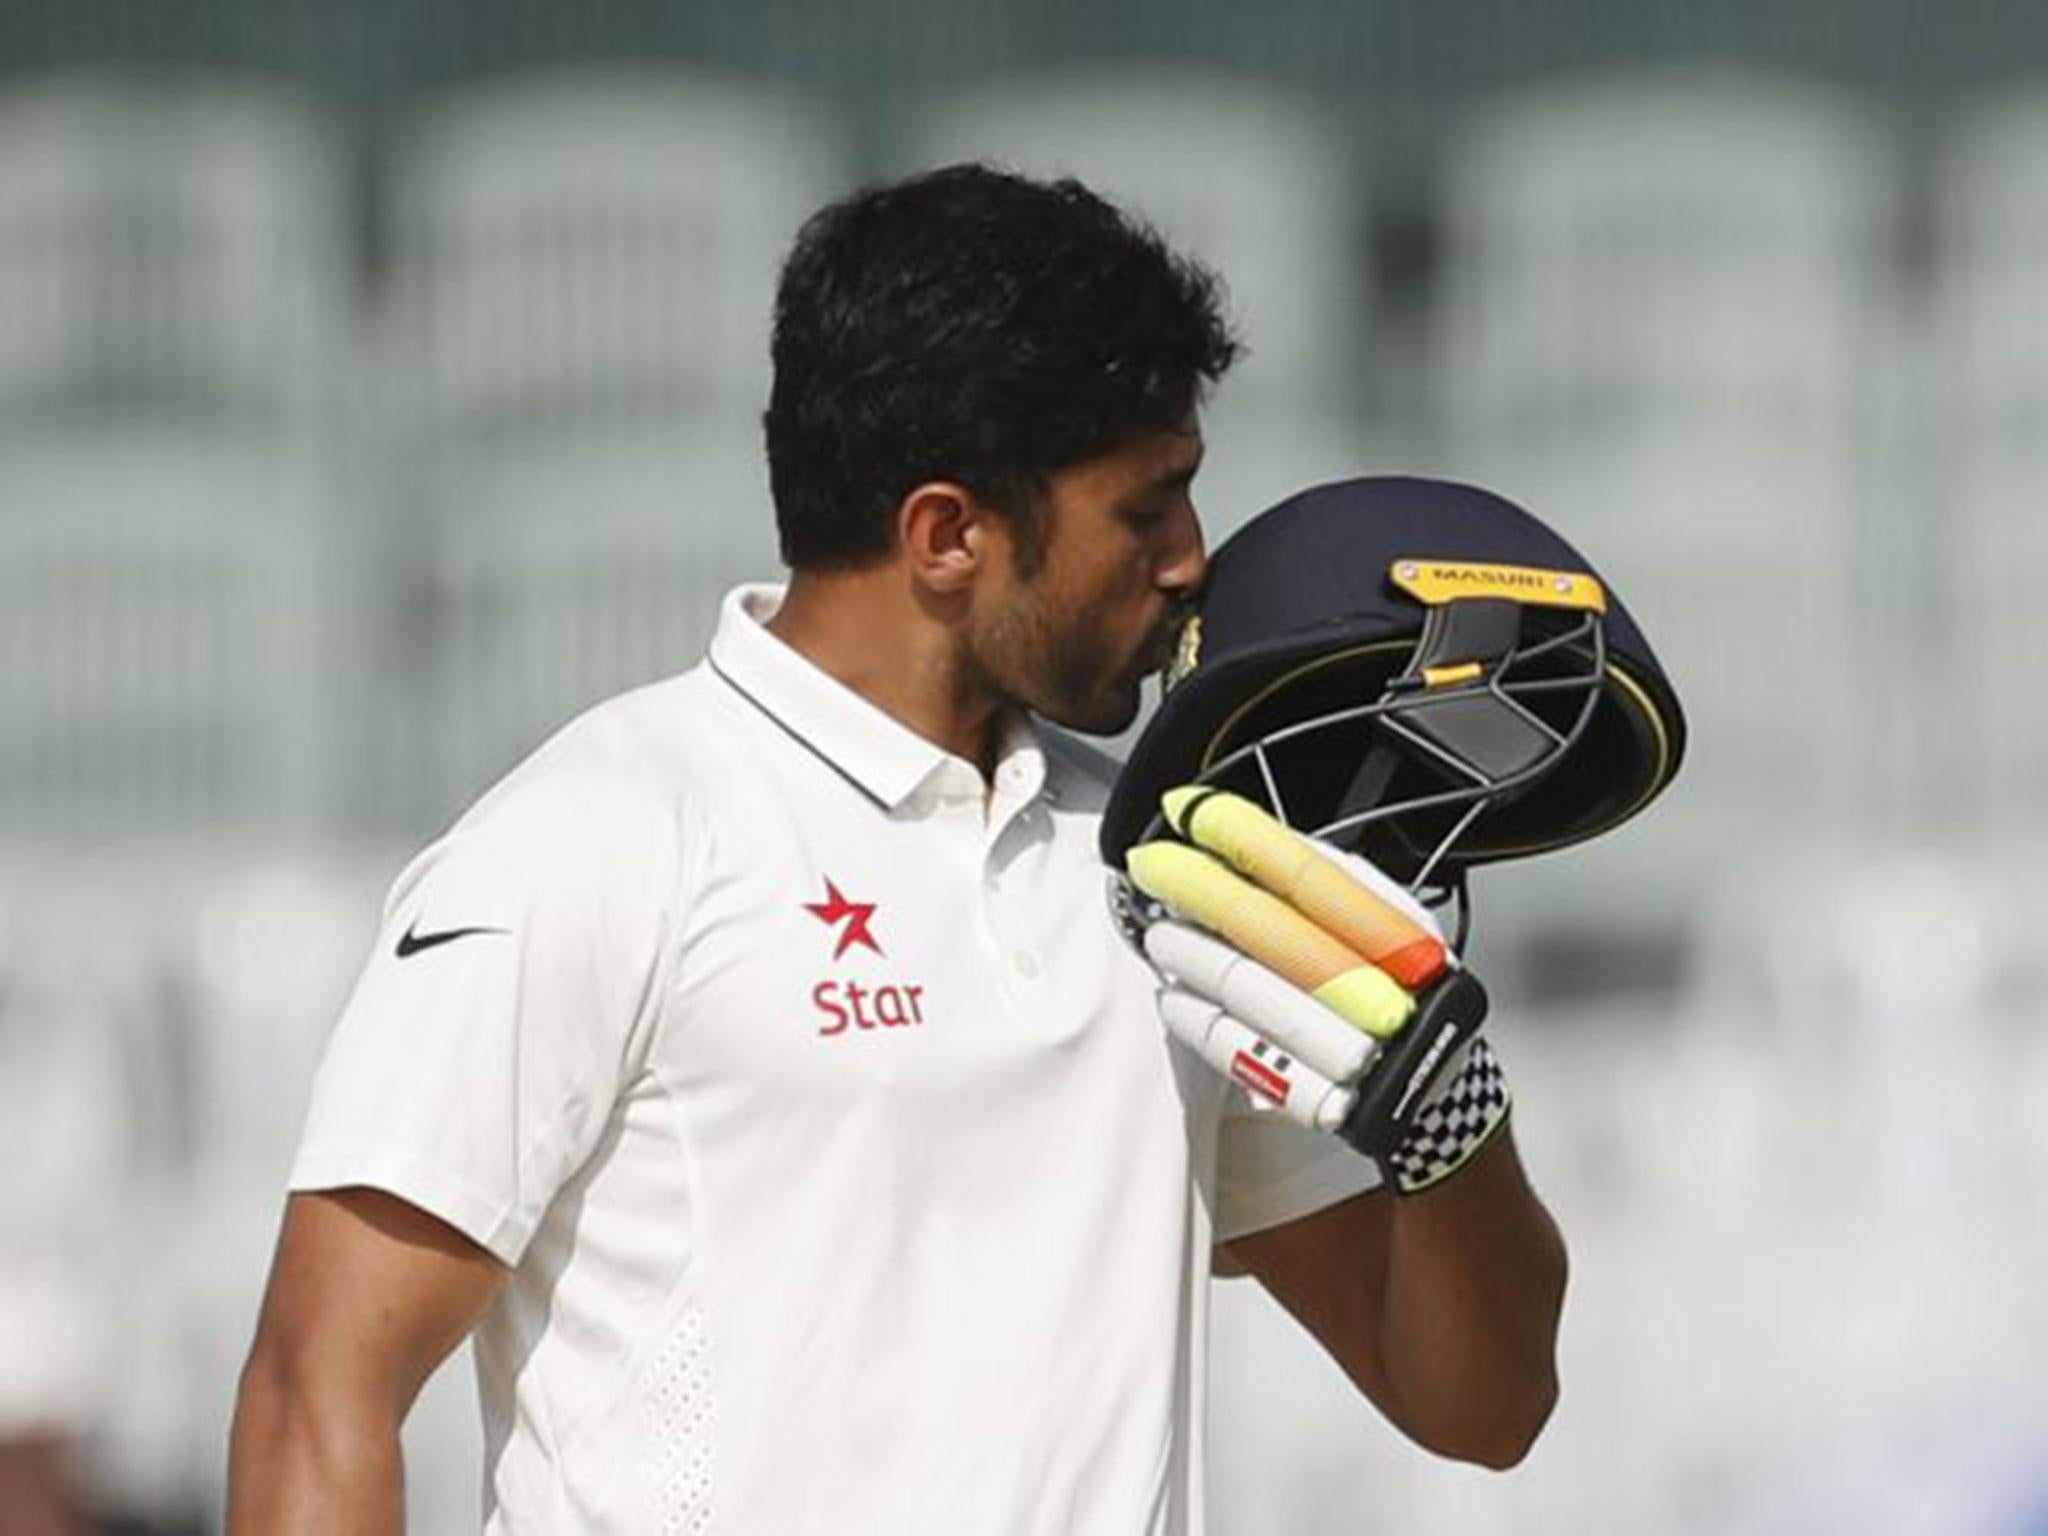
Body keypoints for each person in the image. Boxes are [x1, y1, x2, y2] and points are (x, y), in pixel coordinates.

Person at [227, 164, 1566, 1535]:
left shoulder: (1175, 869)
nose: (1191, 562)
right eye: (1145, 509)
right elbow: (314, 1400)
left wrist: (1451, 1117)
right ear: (946, 536)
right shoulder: (596, 836)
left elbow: (1482, 1407)